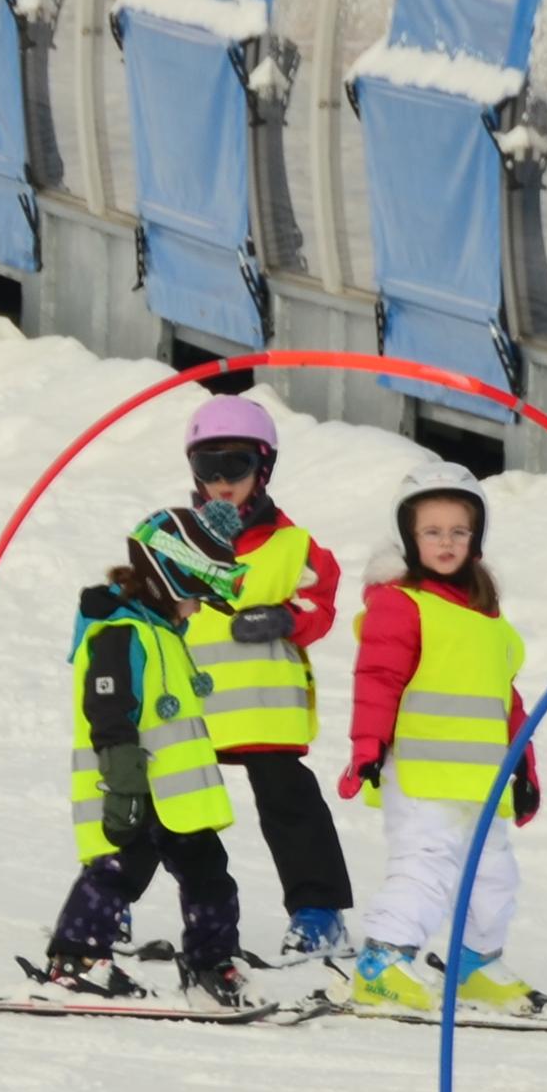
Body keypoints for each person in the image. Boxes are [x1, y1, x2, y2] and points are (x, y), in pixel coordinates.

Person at [337, 462, 547, 1017]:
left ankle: (474, 964)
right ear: (408, 537)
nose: (447, 542)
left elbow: (506, 703)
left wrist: (523, 769)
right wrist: (366, 749)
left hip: (482, 781)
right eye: (432, 531)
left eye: (459, 531)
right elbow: (377, 680)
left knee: (494, 876)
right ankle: (382, 963)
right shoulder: (400, 603)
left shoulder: (486, 616)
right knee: (425, 867)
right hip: (422, 773)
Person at [44, 507, 252, 1007]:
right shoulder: (119, 634)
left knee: (209, 874)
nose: (197, 610)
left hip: (177, 799)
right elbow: (108, 708)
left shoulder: (162, 634)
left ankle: (211, 960)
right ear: (165, 580)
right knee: (119, 871)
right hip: (135, 789)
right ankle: (75, 959)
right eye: (195, 597)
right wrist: (122, 778)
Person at [179, 394, 353, 958]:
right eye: (208, 466)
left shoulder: (291, 546)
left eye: (237, 465)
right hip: (188, 707)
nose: (222, 482)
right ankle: (111, 902)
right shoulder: (175, 542)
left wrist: (287, 618)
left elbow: (320, 604)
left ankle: (319, 913)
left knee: (288, 803)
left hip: (263, 709)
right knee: (165, 805)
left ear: (264, 468)